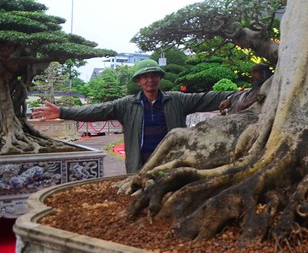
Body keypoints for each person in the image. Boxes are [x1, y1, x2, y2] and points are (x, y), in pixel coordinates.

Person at [32, 59, 234, 173]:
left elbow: (207, 98)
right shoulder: (127, 105)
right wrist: (63, 111)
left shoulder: (177, 100)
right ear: (138, 81)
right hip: (140, 163)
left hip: (171, 160)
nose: (150, 80)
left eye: (154, 75)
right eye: (145, 76)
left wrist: (240, 94)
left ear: (159, 78)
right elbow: (96, 111)